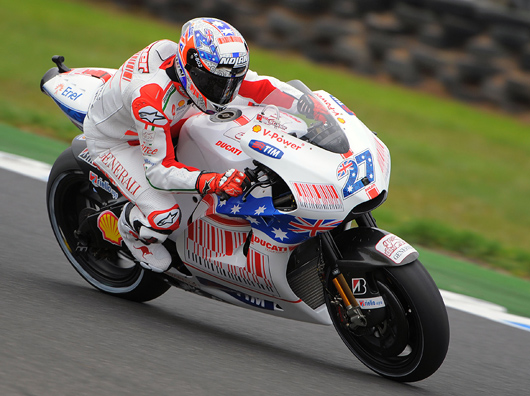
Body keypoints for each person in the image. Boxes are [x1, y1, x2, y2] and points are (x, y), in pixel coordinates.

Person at [84, 17, 323, 273]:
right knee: (165, 217)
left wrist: (307, 103)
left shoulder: (203, 67)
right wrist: (214, 181)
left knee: (257, 116)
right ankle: (130, 231)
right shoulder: (150, 100)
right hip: (120, 141)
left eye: (230, 83)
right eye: (215, 84)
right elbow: (159, 171)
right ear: (191, 68)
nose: (225, 92)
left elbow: (259, 86)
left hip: (173, 116)